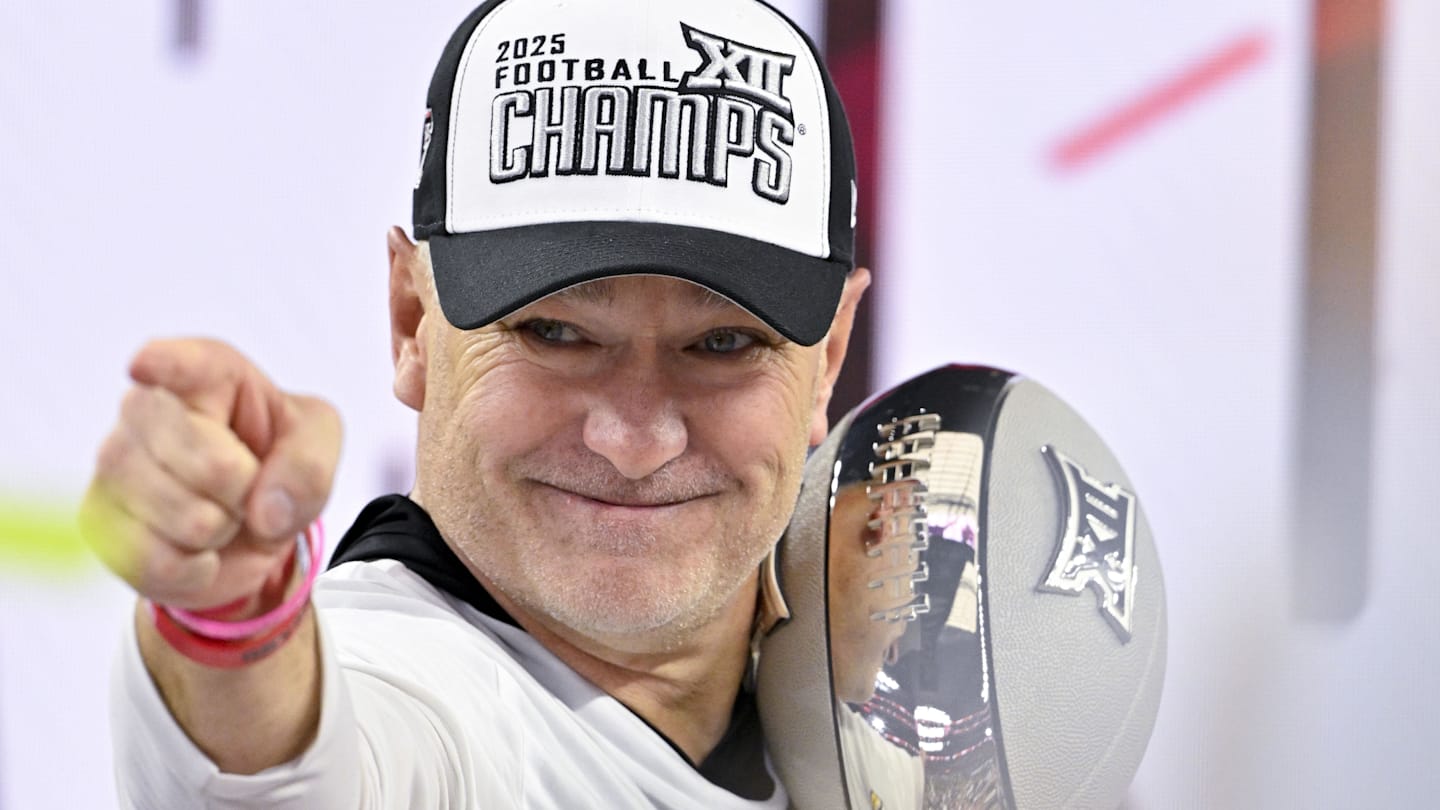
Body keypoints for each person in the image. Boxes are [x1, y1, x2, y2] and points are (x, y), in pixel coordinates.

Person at [79, 0, 869, 807]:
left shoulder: (898, 693)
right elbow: (290, 775)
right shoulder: (421, 700)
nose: (636, 438)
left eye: (723, 345)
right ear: (411, 321)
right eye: (555, 332)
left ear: (829, 356)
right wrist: (233, 619)